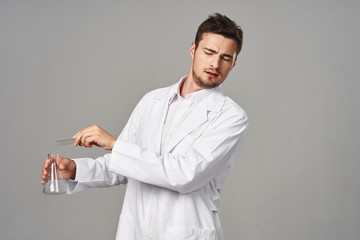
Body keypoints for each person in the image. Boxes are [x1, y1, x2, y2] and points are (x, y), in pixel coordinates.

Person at [41, 13, 248, 240]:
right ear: (193, 49)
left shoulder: (231, 117)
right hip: (136, 230)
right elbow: (124, 164)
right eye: (209, 52)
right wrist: (76, 170)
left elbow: (186, 174)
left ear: (233, 63)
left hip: (186, 233)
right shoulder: (152, 100)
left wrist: (114, 144)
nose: (215, 64)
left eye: (226, 57)